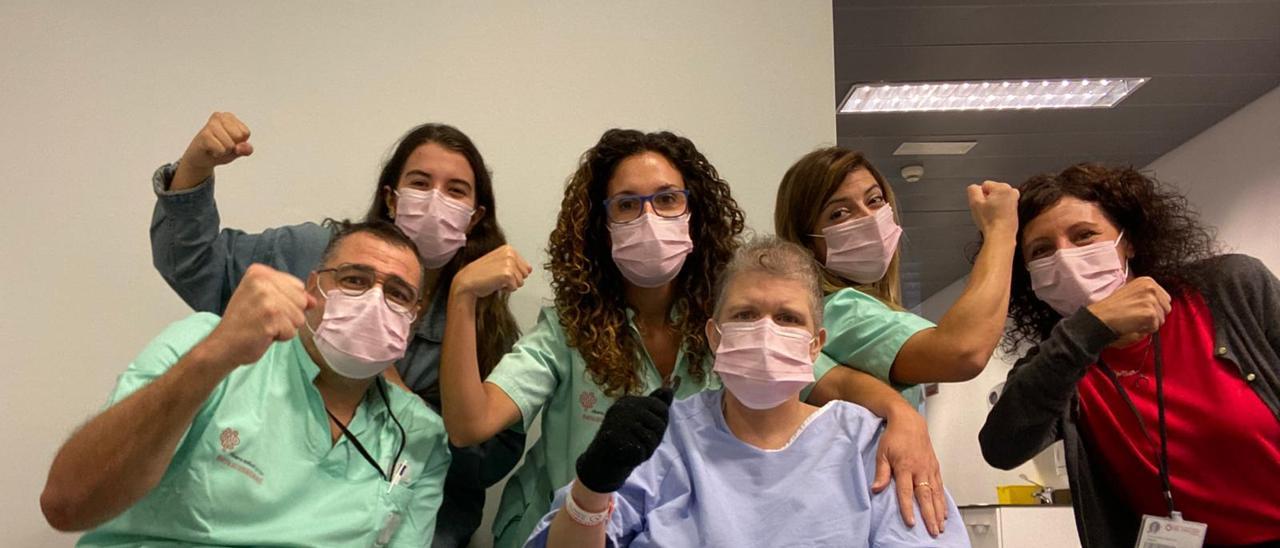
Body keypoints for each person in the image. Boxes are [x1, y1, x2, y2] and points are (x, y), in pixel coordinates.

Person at [440, 129, 950, 547]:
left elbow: (832, 382)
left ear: (693, 210)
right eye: (626, 205)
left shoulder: (734, 327)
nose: (649, 217)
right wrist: (462, 296)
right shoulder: (568, 332)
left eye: (667, 199)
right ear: (601, 222)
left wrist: (902, 416)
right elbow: (470, 424)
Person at [148, 112, 523, 546]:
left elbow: (480, 467)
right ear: (391, 197)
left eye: (455, 191)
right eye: (420, 183)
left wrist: (397, 394)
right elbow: (195, 266)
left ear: (474, 217)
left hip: (394, 518)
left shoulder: (484, 327)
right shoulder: (311, 254)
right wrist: (195, 169)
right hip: (260, 490)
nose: (435, 201)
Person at [525, 237, 970, 547]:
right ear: (715, 336)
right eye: (745, 314)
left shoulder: (868, 447)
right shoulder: (663, 441)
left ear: (816, 344)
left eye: (788, 319)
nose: (765, 332)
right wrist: (593, 485)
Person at [41, 221, 452, 547]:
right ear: (313, 288)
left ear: (413, 319)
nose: (374, 302)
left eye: (397, 294)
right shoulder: (208, 345)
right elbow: (67, 504)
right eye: (355, 280)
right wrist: (214, 357)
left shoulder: (419, 437)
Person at [978, 164, 1280, 547]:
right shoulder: (1062, 360)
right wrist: (1089, 329)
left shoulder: (1228, 289)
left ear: (1129, 241)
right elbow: (1001, 447)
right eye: (1042, 250)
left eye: (1084, 235)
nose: (1066, 258)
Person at [774, 146, 1019, 523]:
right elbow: (963, 350)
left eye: (874, 201)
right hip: (869, 513)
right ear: (807, 242)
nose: (869, 218)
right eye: (839, 213)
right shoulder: (836, 308)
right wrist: (1001, 232)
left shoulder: (862, 308)